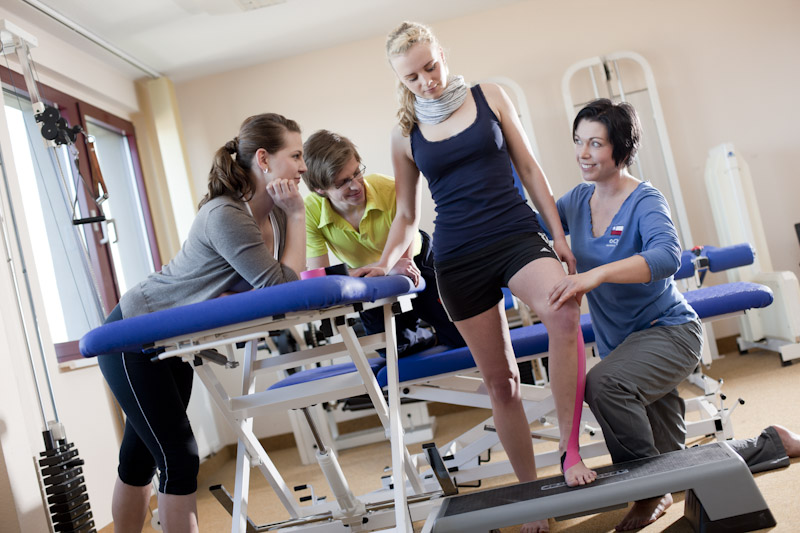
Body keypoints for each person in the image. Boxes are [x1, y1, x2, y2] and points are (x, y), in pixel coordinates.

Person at [354, 21, 597, 533]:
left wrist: (558, 234)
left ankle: (571, 452)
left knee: (563, 308)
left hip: (514, 233)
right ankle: (532, 496)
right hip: (458, 256)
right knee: (500, 381)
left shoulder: (491, 96)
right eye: (413, 77)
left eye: (430, 67)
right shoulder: (405, 133)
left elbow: (530, 168)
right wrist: (386, 258)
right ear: (400, 80)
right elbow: (405, 215)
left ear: (442, 54)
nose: (426, 81)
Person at [546, 98, 800, 531]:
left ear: (622, 149)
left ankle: (649, 493)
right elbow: (527, 220)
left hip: (670, 334)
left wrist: (597, 275)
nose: (583, 153)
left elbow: (667, 257)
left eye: (595, 143)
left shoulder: (645, 198)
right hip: (626, 346)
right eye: (578, 141)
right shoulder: (575, 201)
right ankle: (773, 441)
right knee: (679, 463)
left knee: (603, 385)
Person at [97, 113, 307, 533]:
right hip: (133, 337)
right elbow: (278, 288)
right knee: (180, 456)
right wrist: (299, 216)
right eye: (296, 155)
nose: (303, 166)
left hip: (172, 341)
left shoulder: (276, 213)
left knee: (140, 457)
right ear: (264, 159)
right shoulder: (226, 214)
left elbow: (281, 279)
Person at [302, 129, 465, 354]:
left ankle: (443, 333)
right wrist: (370, 271)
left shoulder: (387, 188)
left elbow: (407, 227)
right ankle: (428, 339)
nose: (356, 186)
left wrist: (395, 263)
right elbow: (319, 273)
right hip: (369, 280)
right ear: (320, 189)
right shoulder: (309, 211)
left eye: (357, 173)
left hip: (416, 259)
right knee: (393, 350)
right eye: (342, 183)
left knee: (462, 336)